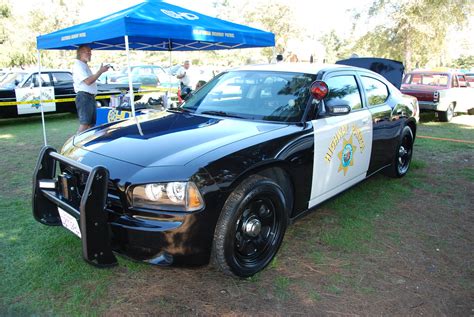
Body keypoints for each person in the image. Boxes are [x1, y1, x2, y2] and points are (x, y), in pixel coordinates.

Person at [72, 44, 110, 133]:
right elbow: (88, 81)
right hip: (84, 96)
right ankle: (76, 143)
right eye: (88, 52)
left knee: (91, 124)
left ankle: (86, 143)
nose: (90, 54)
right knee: (85, 124)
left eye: (90, 52)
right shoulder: (78, 65)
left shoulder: (83, 65)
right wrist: (100, 71)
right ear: (80, 53)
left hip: (89, 96)